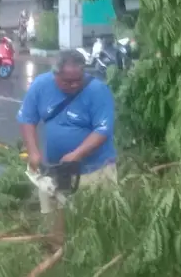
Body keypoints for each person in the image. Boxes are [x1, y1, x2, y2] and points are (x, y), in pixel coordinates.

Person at [17, 49, 117, 214]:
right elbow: (27, 118)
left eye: (78, 80)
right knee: (54, 222)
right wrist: (33, 152)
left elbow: (103, 129)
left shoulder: (98, 91)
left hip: (95, 171)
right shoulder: (41, 86)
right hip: (54, 172)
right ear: (55, 74)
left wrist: (76, 155)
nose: (74, 85)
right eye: (67, 81)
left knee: (94, 223)